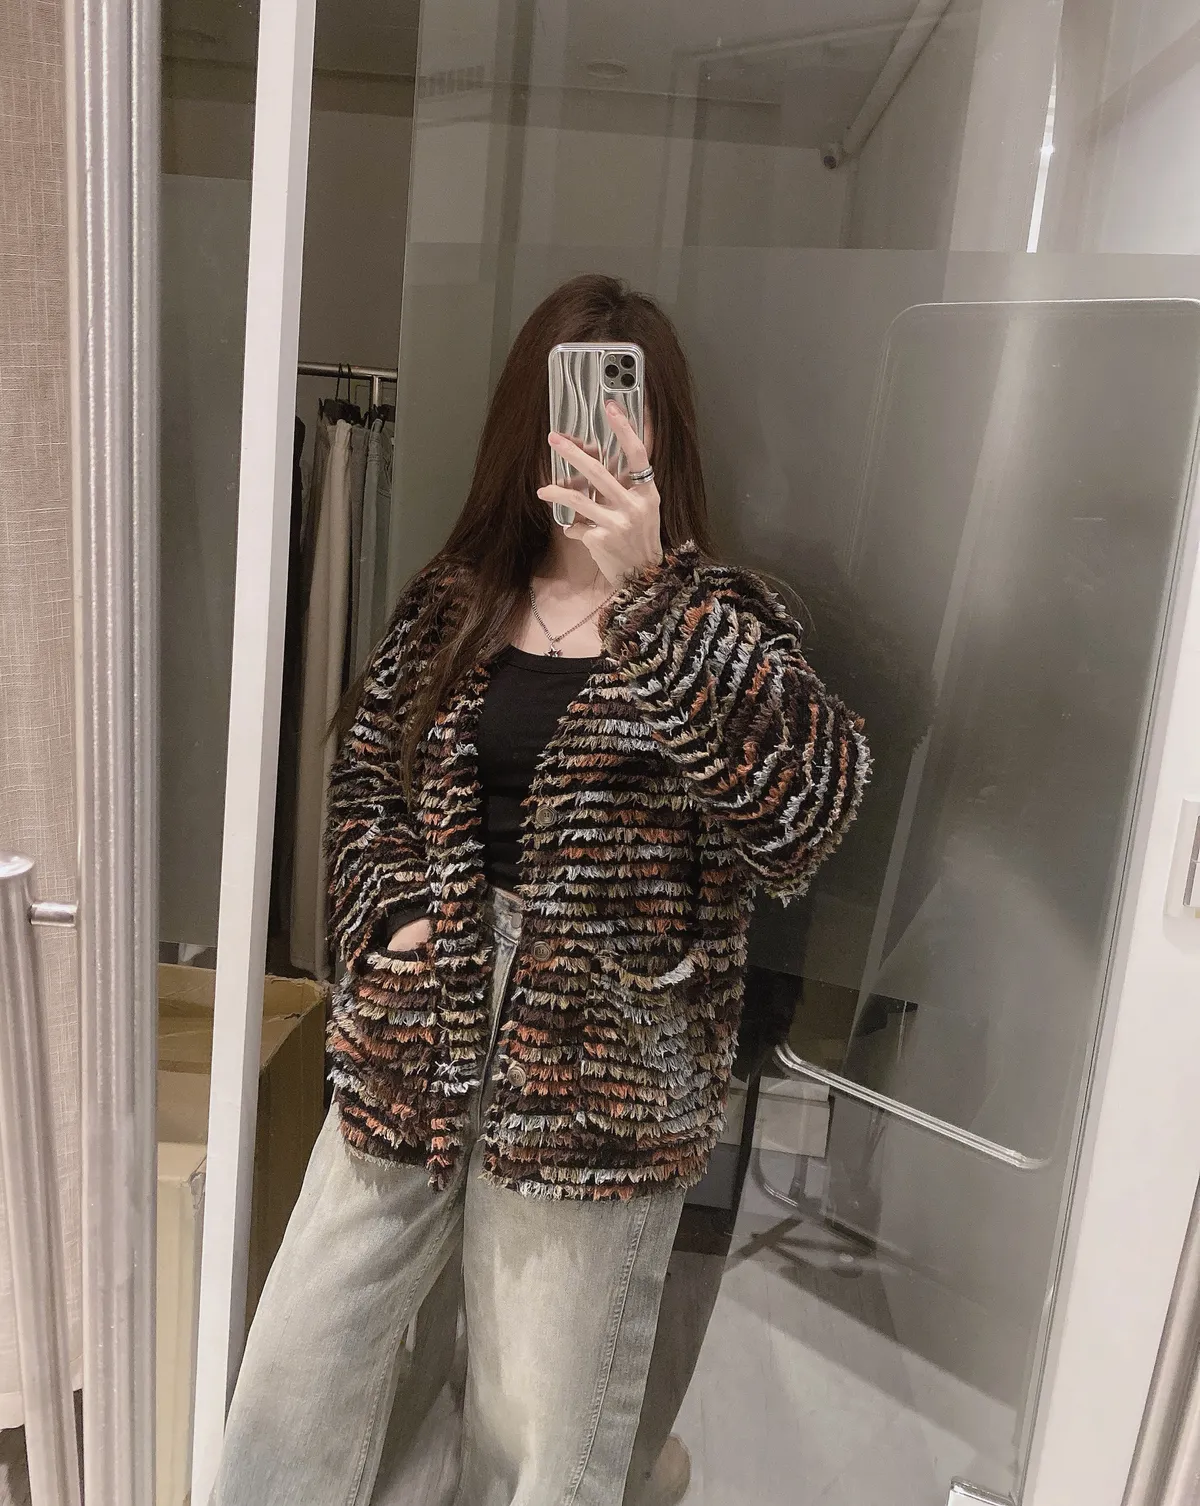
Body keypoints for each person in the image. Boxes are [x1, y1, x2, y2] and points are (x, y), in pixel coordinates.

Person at [209, 272, 870, 1506]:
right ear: (528, 425)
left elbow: (803, 815)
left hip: (599, 1079)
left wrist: (654, 595)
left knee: (534, 1428)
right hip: (419, 1034)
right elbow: (367, 783)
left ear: (660, 435)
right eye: (571, 409)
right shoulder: (455, 604)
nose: (593, 441)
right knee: (300, 1377)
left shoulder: (723, 618)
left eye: (624, 414)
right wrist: (393, 914)